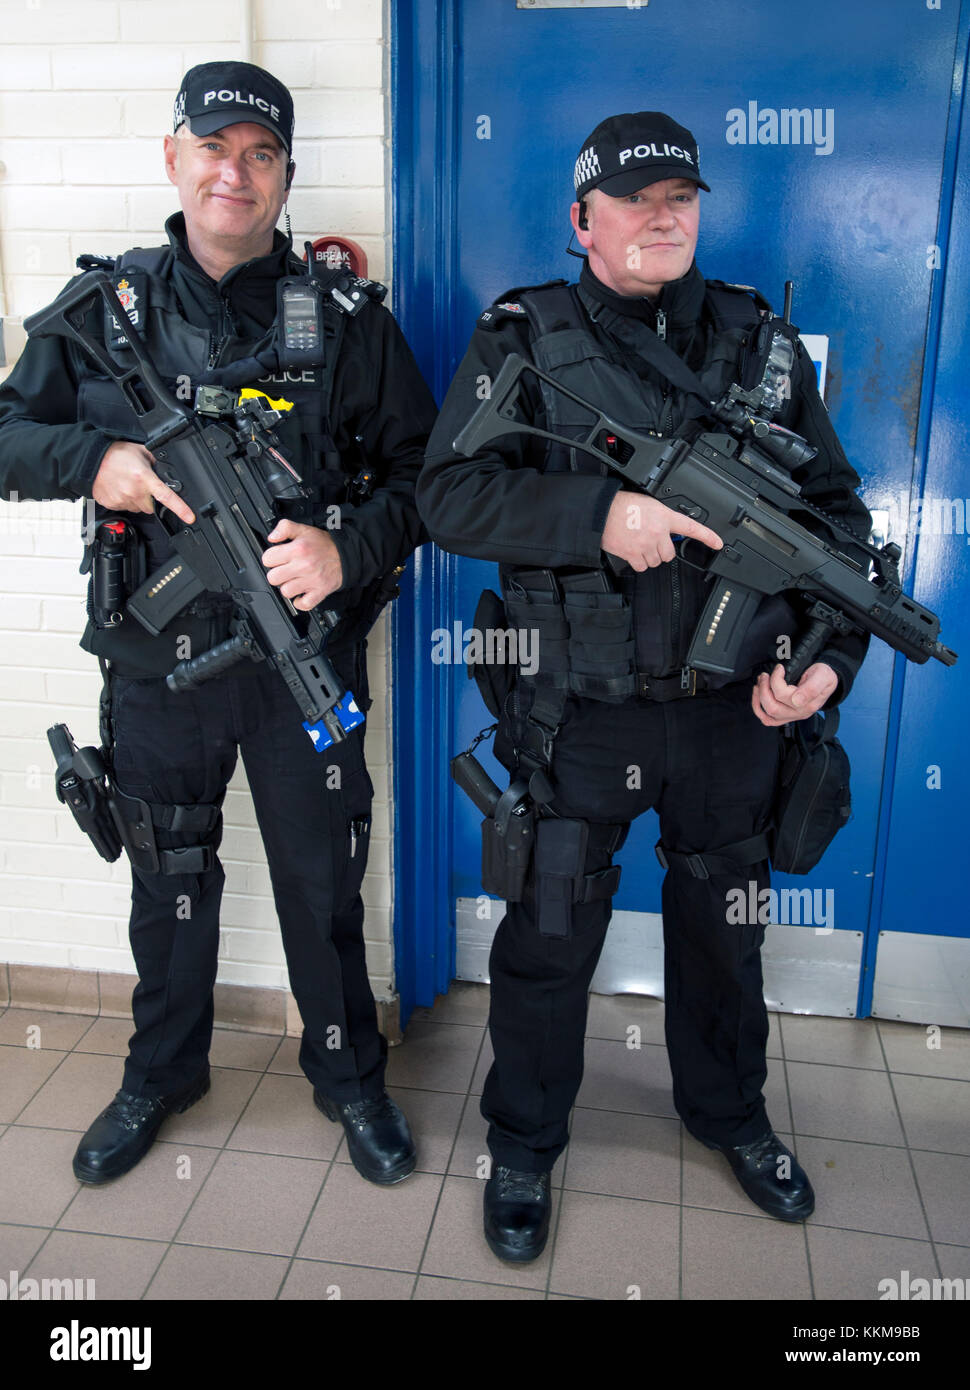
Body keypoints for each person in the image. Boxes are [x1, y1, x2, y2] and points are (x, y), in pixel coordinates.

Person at [418, 111, 872, 1261]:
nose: (663, 214)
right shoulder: (521, 333)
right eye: (635, 198)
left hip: (731, 718)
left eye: (681, 196)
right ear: (582, 220)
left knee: (727, 926)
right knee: (552, 925)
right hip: (579, 707)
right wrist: (596, 516)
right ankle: (522, 1141)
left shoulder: (760, 345)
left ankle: (729, 1114)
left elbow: (842, 527)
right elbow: (447, 498)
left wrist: (826, 661)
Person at [0, 61, 437, 1187]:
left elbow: (428, 480)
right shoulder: (103, 314)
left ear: (287, 174)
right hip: (159, 668)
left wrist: (348, 548)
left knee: (320, 880)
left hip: (305, 658)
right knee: (171, 875)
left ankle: (346, 1077)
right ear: (174, 160)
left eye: (260, 154)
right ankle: (162, 1070)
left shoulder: (344, 322)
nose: (233, 174)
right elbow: (6, 433)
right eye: (214, 148)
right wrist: (98, 460)